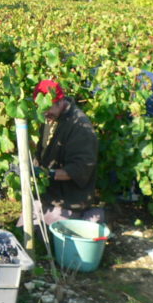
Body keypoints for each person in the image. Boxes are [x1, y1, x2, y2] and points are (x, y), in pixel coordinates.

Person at [30, 79, 102, 225]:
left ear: (60, 102)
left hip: (69, 202)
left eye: (48, 108)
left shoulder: (81, 127)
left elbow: (79, 169)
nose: (44, 113)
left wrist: (45, 174)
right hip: (48, 196)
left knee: (45, 239)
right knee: (23, 230)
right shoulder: (51, 116)